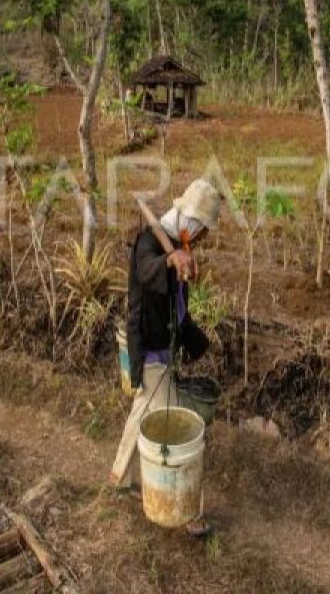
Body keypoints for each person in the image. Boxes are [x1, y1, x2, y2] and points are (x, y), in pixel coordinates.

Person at [110, 178, 221, 537]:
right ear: (192, 222)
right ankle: (188, 513)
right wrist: (169, 259)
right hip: (145, 347)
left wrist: (197, 342)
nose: (202, 239)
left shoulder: (180, 245)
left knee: (143, 408)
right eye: (202, 231)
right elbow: (145, 270)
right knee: (177, 429)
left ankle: (119, 476)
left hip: (164, 348)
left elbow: (178, 309)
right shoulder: (149, 244)